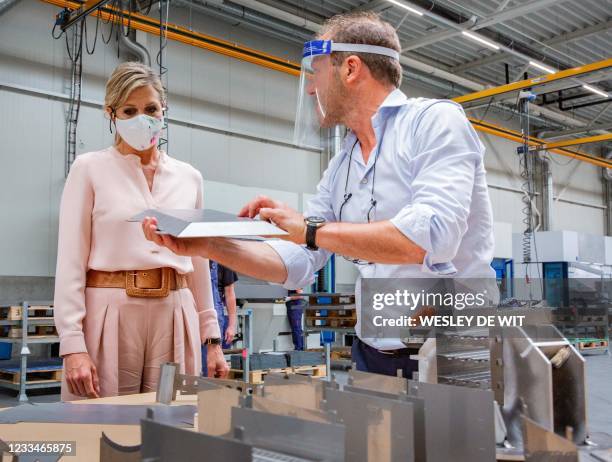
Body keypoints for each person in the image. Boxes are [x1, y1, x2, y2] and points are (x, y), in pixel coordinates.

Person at [141, 12, 497, 379]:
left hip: (452, 349)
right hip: (372, 354)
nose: (311, 87)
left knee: (457, 438)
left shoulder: (433, 123)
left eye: (317, 71)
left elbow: (431, 236)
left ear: (351, 69)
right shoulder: (342, 163)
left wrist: (309, 229)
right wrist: (210, 246)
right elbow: (297, 262)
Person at [54, 62, 228, 401]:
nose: (141, 118)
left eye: (151, 109)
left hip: (176, 311)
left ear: (164, 111)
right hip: (109, 312)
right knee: (105, 426)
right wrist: (72, 344)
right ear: (111, 113)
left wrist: (212, 338)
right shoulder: (89, 169)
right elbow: (70, 260)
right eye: (129, 110)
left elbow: (199, 262)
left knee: (174, 424)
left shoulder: (189, 177)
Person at [201, 261, 238, 375]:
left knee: (210, 361)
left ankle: (208, 389)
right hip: (192, 313)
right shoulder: (192, 256)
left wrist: (232, 325)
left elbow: (230, 293)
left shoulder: (222, 258)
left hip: (214, 320)